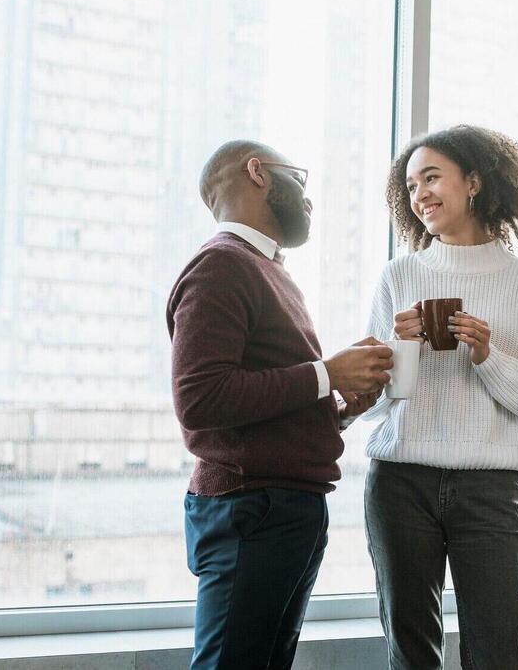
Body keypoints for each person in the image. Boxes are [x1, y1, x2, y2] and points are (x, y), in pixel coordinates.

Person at [167, 140, 394, 670]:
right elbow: (201, 400)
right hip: (252, 510)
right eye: (300, 178)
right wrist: (327, 372)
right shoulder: (221, 265)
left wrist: (341, 404)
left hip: (280, 508)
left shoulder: (267, 270)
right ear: (258, 173)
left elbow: (261, 399)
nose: (308, 198)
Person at [353, 125, 518, 670]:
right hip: (400, 482)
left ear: (473, 181)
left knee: (498, 650)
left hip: (491, 489)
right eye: (409, 186)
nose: (419, 194)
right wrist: (403, 350)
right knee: (410, 652)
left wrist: (486, 356)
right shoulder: (398, 275)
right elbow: (384, 401)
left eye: (432, 177)